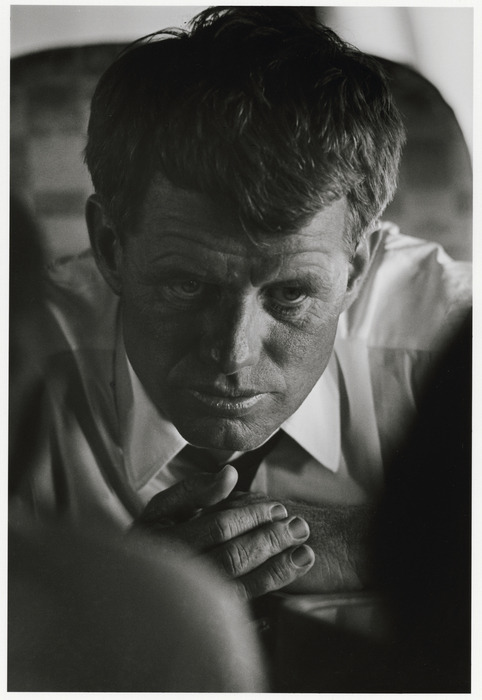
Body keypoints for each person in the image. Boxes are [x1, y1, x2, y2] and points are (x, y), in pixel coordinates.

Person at [11, 7, 471, 600]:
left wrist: (385, 544)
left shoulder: (450, 340)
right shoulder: (20, 361)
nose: (232, 352)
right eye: (186, 285)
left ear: (355, 267)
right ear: (110, 247)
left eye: (290, 293)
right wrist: (95, 601)